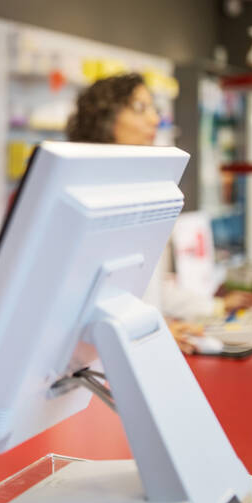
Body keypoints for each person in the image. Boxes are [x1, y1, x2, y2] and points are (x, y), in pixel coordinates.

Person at [66, 73, 205, 352]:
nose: (154, 120)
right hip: (94, 358)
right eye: (140, 108)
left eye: (154, 109)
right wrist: (145, 329)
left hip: (134, 349)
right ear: (105, 117)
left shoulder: (142, 190)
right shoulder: (83, 195)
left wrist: (212, 308)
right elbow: (80, 299)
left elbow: (146, 285)